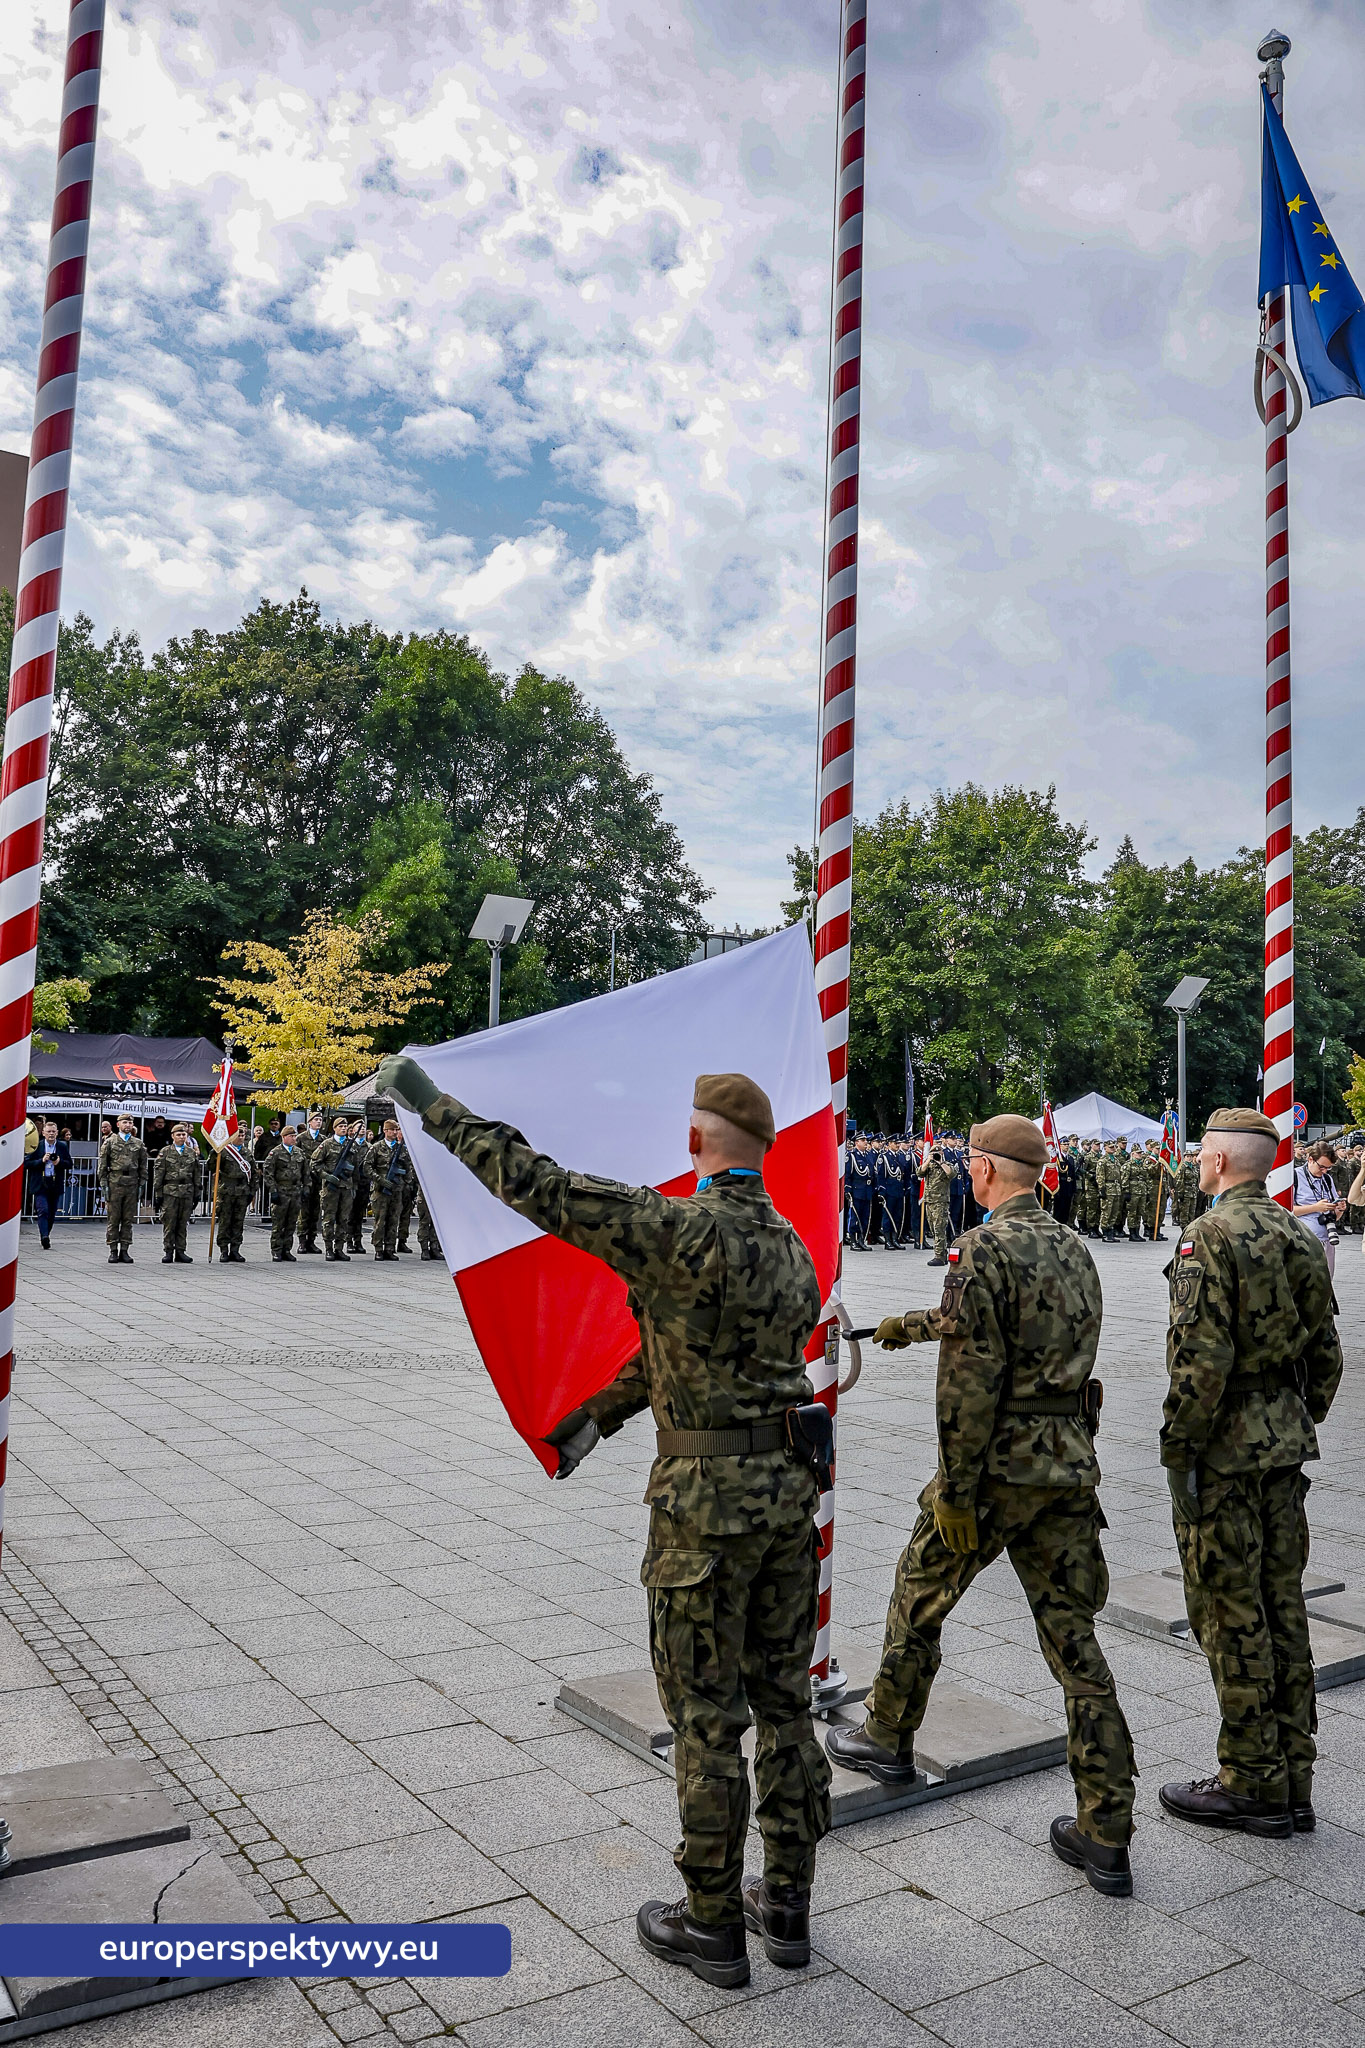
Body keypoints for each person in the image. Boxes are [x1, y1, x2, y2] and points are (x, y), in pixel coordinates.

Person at [376, 1052, 832, 1990]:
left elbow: (536, 1185)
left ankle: (710, 1925)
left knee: (707, 1723)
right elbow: (689, 1357)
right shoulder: (792, 1247)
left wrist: (427, 1101)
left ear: (695, 1142)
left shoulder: (677, 1230)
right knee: (787, 1711)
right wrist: (595, 1418)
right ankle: (784, 1906)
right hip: (789, 1501)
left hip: (703, 1513)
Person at [827, 1113, 1136, 1897]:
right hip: (1066, 1470)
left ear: (988, 1170)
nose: (965, 1171)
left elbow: (970, 1384)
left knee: (916, 1599)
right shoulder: (1073, 1246)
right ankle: (1106, 1828)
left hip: (994, 1472)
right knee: (1076, 1650)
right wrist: (912, 1324)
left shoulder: (979, 1247)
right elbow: (1025, 1333)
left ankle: (886, 1737)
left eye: (969, 1160)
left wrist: (956, 1491)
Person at [1159, 1107, 1343, 1838]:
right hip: (1281, 1442)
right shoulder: (1300, 1231)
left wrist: (1179, 1451)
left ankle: (1248, 1782)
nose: (1198, 1160)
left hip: (1225, 1449)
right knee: (1281, 1605)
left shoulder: (1207, 1235)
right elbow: (1325, 1353)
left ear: (1223, 1160)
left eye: (1204, 1151)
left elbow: (1198, 1362)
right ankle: (1292, 1776)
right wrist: (1291, 1417)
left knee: (1228, 1611)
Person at [98, 1113, 146, 1265]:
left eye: (130, 1123)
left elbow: (143, 1166)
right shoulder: (110, 1142)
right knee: (114, 1218)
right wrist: (104, 1184)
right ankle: (113, 1249)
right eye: (125, 1122)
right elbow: (102, 1165)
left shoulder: (138, 1144)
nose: (128, 1125)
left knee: (128, 1219)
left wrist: (142, 1184)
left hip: (131, 1183)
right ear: (118, 1124)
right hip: (115, 1182)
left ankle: (124, 1249)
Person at [1293, 1141, 1344, 1280]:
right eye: (1322, 1167)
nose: (1325, 1171)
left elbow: (1335, 1216)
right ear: (1310, 1159)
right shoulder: (1295, 1177)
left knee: (1326, 1282)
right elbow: (1286, 1211)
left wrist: (1339, 1209)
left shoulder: (1327, 1179)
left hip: (1327, 1240)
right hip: (1304, 1241)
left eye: (1328, 1168)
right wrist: (1316, 1207)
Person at [153, 1124, 201, 1264]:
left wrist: (197, 1192)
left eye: (184, 1134)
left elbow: (196, 1174)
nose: (181, 1137)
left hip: (187, 1191)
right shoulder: (165, 1152)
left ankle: (181, 1251)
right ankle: (168, 1251)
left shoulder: (191, 1152)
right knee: (170, 1222)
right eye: (178, 1135)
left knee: (182, 1223)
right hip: (170, 1191)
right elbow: (159, 1174)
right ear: (173, 1136)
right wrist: (158, 1193)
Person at [313, 1117, 359, 1261]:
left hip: (346, 1187)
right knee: (329, 1219)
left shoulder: (351, 1145)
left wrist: (354, 1186)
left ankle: (339, 1248)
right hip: (330, 1188)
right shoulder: (326, 1144)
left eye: (345, 1126)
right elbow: (314, 1164)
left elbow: (356, 1168)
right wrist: (327, 1176)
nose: (343, 1128)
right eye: (340, 1126)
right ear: (335, 1128)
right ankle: (328, 1248)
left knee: (343, 1219)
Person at [365, 1118, 411, 1260]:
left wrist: (406, 1182)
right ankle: (379, 1248)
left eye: (397, 1129)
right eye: (392, 1129)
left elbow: (408, 1168)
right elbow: (367, 1167)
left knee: (393, 1219)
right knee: (380, 1220)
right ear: (385, 1131)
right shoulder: (376, 1147)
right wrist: (380, 1180)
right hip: (381, 1190)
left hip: (397, 1189)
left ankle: (390, 1248)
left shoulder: (401, 1148)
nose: (395, 1132)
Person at [262, 1124, 306, 1261]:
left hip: (295, 1192)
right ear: (283, 1137)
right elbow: (268, 1173)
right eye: (291, 1136)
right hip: (281, 1192)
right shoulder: (275, 1153)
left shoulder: (299, 1152)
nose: (294, 1139)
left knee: (291, 1223)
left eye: (294, 1136)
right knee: (278, 1224)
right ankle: (276, 1250)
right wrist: (273, 1191)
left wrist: (306, 1188)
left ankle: (287, 1249)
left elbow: (306, 1172)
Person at [26, 1121, 71, 1249]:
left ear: (57, 1133)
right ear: (43, 1133)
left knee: (51, 1213)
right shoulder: (37, 1146)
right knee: (43, 1210)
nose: (51, 1134)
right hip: (41, 1183)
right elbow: (27, 1163)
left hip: (55, 1183)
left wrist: (59, 1161)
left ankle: (46, 1234)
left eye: (53, 1132)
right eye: (49, 1131)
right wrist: (41, 1161)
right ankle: (44, 1236)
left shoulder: (62, 1146)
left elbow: (69, 1163)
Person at [212, 1142, 254, 1263]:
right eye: (238, 1135)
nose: (240, 1137)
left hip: (242, 1192)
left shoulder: (247, 1153)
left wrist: (252, 1190)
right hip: (226, 1192)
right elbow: (212, 1166)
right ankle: (224, 1250)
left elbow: (254, 1173)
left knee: (238, 1222)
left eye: (242, 1135)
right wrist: (214, 1153)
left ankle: (235, 1250)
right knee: (225, 1221)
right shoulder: (224, 1151)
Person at [295, 1111, 325, 1253]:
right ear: (309, 1122)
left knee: (315, 1212)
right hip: (305, 1180)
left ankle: (311, 1241)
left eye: (320, 1119)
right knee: (304, 1212)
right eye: (316, 1119)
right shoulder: (301, 1138)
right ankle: (302, 1241)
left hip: (318, 1180)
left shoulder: (323, 1140)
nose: (319, 1122)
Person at [921, 1142, 956, 1266]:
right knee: (932, 1228)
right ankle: (943, 1254)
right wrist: (928, 1160)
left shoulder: (946, 1165)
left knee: (939, 1228)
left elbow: (951, 1174)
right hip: (929, 1200)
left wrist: (940, 1162)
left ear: (942, 1153)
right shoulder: (928, 1166)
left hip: (940, 1202)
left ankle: (939, 1256)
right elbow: (919, 1172)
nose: (936, 1154)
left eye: (938, 1152)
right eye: (933, 1152)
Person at [347, 1117, 372, 1254]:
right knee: (350, 1213)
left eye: (363, 1127)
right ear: (353, 1130)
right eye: (359, 1127)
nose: (361, 1129)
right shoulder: (349, 1145)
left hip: (364, 1183)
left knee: (359, 1214)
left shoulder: (369, 1147)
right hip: (351, 1184)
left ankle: (358, 1240)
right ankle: (349, 1240)